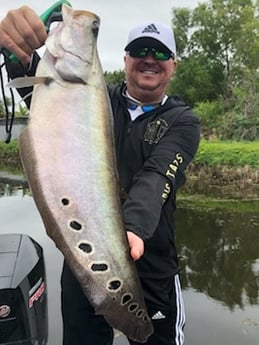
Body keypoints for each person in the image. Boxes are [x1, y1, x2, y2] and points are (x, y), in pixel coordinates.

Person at [0, 6, 200, 345]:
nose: (149, 58)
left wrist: (133, 227)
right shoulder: (89, 98)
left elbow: (157, 176)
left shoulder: (182, 121)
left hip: (152, 264)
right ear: (125, 59)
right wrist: (15, 47)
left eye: (160, 53)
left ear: (173, 65)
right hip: (83, 259)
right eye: (140, 50)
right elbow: (41, 87)